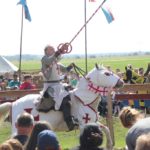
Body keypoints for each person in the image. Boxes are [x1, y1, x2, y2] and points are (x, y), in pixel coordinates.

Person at [38, 44, 78, 131]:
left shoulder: (56, 63)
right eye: (50, 49)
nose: (53, 50)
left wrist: (70, 66)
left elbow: (65, 70)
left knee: (72, 95)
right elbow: (50, 60)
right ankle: (69, 122)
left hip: (59, 85)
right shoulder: (44, 59)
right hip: (50, 86)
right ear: (46, 51)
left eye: (53, 49)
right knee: (64, 99)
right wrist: (60, 51)